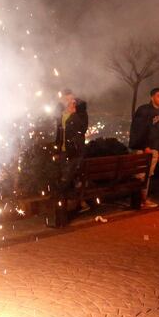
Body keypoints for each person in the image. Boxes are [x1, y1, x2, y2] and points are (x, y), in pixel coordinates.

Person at [128, 88, 159, 209]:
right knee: (141, 175)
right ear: (152, 97)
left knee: (148, 175)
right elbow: (137, 129)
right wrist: (144, 146)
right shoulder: (144, 110)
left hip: (155, 149)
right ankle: (141, 200)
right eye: (158, 96)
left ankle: (142, 199)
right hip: (144, 149)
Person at [54, 91, 89, 225]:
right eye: (65, 99)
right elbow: (59, 131)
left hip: (74, 152)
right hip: (63, 151)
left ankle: (62, 216)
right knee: (68, 178)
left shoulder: (80, 112)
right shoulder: (61, 112)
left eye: (70, 98)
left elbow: (83, 128)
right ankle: (81, 203)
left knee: (65, 182)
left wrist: (74, 113)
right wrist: (57, 148)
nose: (68, 101)